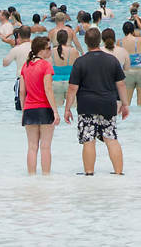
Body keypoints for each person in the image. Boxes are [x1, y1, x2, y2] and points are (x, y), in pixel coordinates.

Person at [64, 27, 128, 176]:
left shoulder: (80, 62)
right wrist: (125, 104)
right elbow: (121, 84)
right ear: (100, 41)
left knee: (88, 139)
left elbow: (73, 88)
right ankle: (118, 172)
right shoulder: (112, 60)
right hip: (108, 103)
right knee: (111, 137)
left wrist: (67, 109)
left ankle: (89, 172)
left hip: (87, 104)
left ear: (85, 42)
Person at [18, 35, 58, 174]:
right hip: (44, 108)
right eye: (48, 49)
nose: (50, 51)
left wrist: (24, 110)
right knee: (45, 147)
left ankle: (32, 178)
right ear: (41, 50)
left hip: (29, 109)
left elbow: (22, 91)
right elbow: (48, 89)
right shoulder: (46, 65)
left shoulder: (26, 65)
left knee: (32, 147)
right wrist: (55, 111)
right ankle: (46, 178)